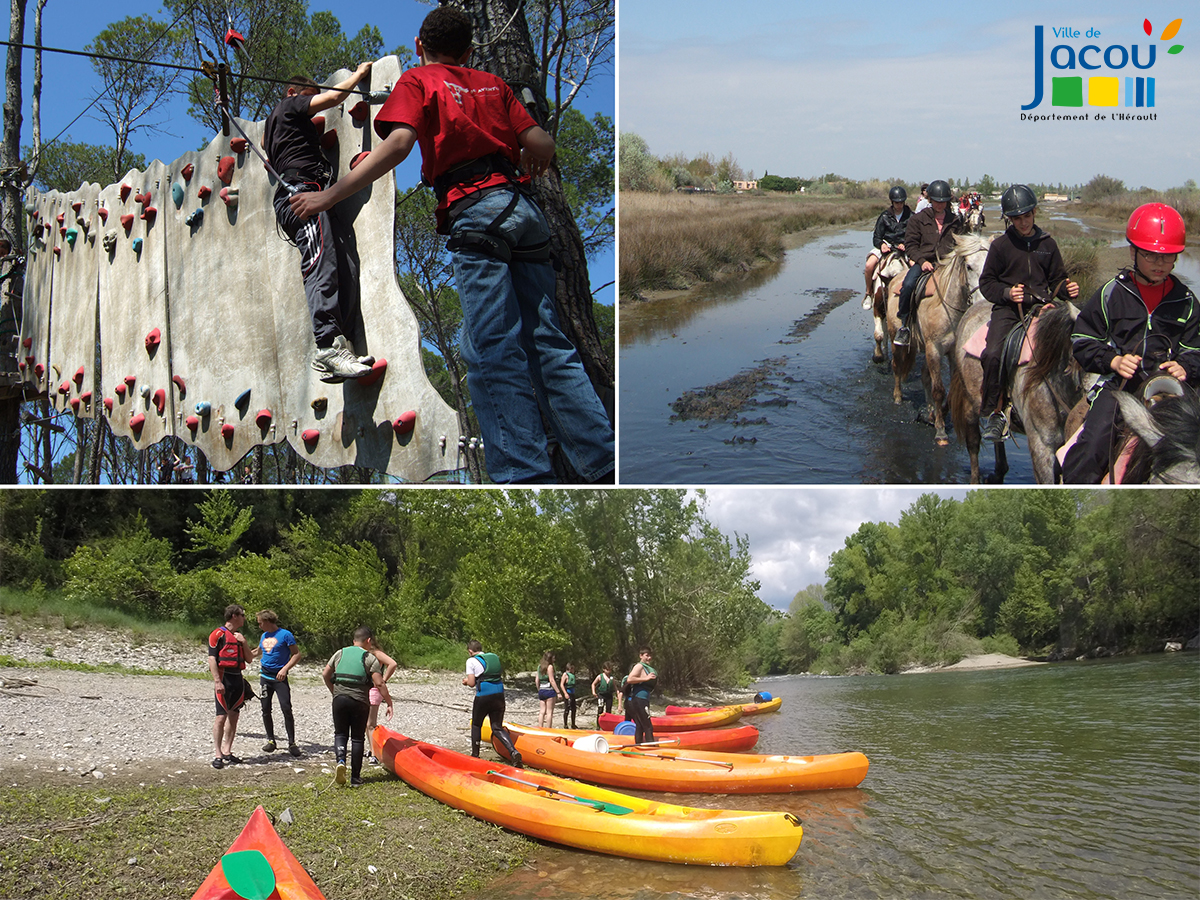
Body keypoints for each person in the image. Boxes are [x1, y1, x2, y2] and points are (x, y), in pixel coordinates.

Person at [289, 6, 615, 484]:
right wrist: (527, 153)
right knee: (549, 343)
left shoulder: (419, 81)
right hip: (524, 212)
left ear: (420, 46)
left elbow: (399, 145)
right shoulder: (493, 85)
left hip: (475, 210)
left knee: (491, 349)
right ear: (468, 50)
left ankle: (522, 471)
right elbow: (543, 145)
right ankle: (602, 461)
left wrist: (329, 196)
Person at [1061, 202, 1200, 482]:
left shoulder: (1187, 302)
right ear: (1133, 251)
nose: (1160, 264)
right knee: (1089, 451)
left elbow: (1195, 348)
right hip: (1122, 387)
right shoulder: (1111, 293)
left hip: (1175, 393)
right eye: (1151, 256)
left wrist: (1186, 366)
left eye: (1168, 257)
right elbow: (1084, 339)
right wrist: (1113, 360)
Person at [264, 62, 377, 383]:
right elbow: (331, 100)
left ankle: (340, 345)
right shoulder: (288, 106)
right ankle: (327, 345)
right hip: (301, 195)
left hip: (311, 194)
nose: (310, 108)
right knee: (320, 265)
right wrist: (358, 76)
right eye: (307, 99)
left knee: (344, 265)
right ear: (292, 93)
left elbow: (264, 146)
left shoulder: (277, 127)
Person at [976, 184, 1079, 441]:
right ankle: (995, 412)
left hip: (1045, 307)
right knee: (993, 353)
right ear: (1009, 219)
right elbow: (986, 283)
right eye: (1016, 218)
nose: (1022, 223)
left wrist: (1068, 289)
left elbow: (1057, 279)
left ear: (1034, 213)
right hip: (1009, 310)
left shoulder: (1048, 244)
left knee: (1078, 342)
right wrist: (1008, 293)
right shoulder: (1000, 246)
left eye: (1026, 216)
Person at [894, 180, 964, 347]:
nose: (940, 204)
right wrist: (922, 261)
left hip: (948, 264)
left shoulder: (955, 221)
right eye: (936, 201)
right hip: (924, 262)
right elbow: (910, 245)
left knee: (968, 287)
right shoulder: (918, 219)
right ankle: (904, 325)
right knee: (909, 285)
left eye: (943, 201)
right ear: (930, 200)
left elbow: (961, 244)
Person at [322, 626, 393, 787]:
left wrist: (335, 692)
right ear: (368, 641)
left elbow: (325, 674)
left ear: (354, 640)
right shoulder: (369, 657)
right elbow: (379, 682)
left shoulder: (340, 653)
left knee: (340, 734)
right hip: (359, 701)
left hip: (339, 699)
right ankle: (355, 778)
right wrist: (389, 702)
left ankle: (340, 760)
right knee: (357, 738)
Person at [463, 639, 522, 767]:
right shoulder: (492, 657)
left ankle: (475, 755)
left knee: (476, 724)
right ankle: (513, 752)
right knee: (497, 727)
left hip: (483, 696)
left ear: (470, 651)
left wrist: (466, 681)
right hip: (499, 695)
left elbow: (472, 683)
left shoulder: (471, 661)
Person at [251, 610, 302, 756]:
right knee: (265, 709)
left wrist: (285, 669)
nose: (259, 626)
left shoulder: (285, 635)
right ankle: (271, 740)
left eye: (260, 623)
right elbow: (257, 652)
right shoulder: (264, 636)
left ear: (267, 621)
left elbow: (297, 654)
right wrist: (242, 651)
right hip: (265, 677)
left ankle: (291, 742)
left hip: (279, 678)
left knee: (286, 708)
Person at [208, 605, 251, 769]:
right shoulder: (217, 634)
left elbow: (249, 659)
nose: (244, 618)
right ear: (234, 616)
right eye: (242, 615)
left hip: (237, 680)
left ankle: (227, 750)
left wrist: (244, 642)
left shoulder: (239, 637)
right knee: (221, 717)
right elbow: (212, 659)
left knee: (234, 716)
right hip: (224, 680)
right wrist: (217, 681)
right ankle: (218, 753)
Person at [863, 186, 912, 309]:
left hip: (904, 248)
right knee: (869, 265)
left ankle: (915, 296)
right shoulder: (884, 216)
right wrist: (882, 245)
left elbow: (915, 235)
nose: (899, 205)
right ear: (892, 202)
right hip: (887, 246)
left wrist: (906, 244)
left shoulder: (911, 216)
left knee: (915, 266)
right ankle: (868, 293)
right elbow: (876, 237)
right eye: (896, 203)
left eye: (901, 202)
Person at [364, 633, 398, 765]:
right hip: (366, 689)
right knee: (366, 724)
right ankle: (371, 749)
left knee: (370, 724)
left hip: (374, 689)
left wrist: (383, 680)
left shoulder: (376, 653)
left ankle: (375, 754)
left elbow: (392, 664)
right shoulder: (365, 653)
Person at [625, 647, 658, 745]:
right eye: (647, 655)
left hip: (643, 699)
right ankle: (651, 748)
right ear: (641, 656)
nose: (649, 658)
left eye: (650, 655)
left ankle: (638, 745)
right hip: (639, 699)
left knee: (639, 725)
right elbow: (630, 679)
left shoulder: (646, 667)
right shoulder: (639, 666)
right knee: (648, 726)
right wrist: (646, 678)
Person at [535, 650, 562, 728]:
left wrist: (539, 689)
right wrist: (558, 692)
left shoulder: (539, 667)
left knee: (542, 711)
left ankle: (540, 727)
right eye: (553, 658)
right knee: (549, 712)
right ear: (550, 658)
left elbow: (537, 680)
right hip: (549, 690)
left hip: (542, 690)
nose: (554, 659)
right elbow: (552, 680)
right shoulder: (550, 667)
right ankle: (548, 729)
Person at [590, 662, 615, 728]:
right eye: (607, 670)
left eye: (610, 670)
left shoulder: (612, 677)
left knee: (608, 710)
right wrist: (593, 691)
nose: (609, 671)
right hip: (601, 695)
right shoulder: (600, 676)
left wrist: (618, 693)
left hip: (609, 695)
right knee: (600, 709)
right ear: (604, 669)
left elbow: (615, 687)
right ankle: (598, 725)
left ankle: (607, 725)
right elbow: (593, 684)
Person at [559, 662, 578, 729]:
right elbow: (561, 684)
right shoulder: (565, 674)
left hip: (572, 693)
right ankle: (565, 724)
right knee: (567, 709)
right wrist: (565, 693)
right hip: (568, 693)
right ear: (570, 668)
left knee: (574, 709)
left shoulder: (572, 675)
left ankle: (573, 724)